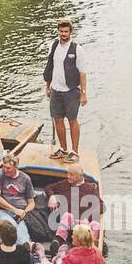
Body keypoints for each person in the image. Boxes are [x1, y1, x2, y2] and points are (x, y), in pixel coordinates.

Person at [42, 19, 87, 162]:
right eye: (61, 31)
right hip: (56, 90)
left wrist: (83, 93)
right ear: (58, 31)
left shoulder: (77, 49)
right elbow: (50, 66)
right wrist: (47, 85)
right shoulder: (53, 46)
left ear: (70, 32)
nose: (63, 34)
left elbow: (82, 73)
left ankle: (74, 151)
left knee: (72, 120)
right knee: (58, 119)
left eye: (66, 31)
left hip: (71, 90)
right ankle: (63, 149)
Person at [44, 163, 103, 241]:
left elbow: (101, 206)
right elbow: (49, 187)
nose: (68, 176)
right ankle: (59, 241)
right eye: (68, 173)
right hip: (64, 222)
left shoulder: (90, 189)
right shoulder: (65, 183)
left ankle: (86, 246)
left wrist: (87, 218)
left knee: (94, 225)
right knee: (66, 216)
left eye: (71, 174)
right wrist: (52, 196)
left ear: (80, 175)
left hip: (81, 224)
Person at [35, 222, 104, 264]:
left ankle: (42, 256)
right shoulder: (96, 251)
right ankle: (61, 255)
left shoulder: (73, 258)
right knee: (62, 259)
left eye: (73, 235)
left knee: (51, 263)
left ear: (79, 240)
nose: (71, 236)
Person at [0, 154, 35, 231]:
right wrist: (14, 210)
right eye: (3, 166)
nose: (5, 170)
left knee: (23, 233)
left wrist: (24, 212)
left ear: (15, 167)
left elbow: (31, 203)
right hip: (5, 212)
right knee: (11, 227)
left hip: (22, 214)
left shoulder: (26, 178)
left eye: (8, 168)